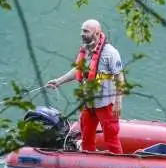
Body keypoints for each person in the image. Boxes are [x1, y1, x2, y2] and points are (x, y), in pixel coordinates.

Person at [47, 19, 125, 153]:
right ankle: (89, 165)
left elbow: (120, 77)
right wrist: (59, 81)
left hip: (105, 104)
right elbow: (78, 70)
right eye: (81, 31)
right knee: (87, 138)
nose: (82, 34)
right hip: (88, 104)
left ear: (96, 33)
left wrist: (118, 101)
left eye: (85, 31)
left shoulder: (111, 52)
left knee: (111, 139)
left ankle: (121, 167)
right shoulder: (85, 50)